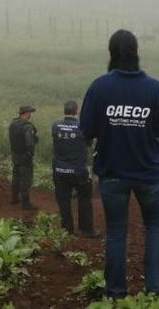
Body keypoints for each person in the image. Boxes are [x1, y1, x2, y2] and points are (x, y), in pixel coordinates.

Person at [80, 30, 159, 299]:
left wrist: (110, 124)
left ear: (111, 54)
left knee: (116, 232)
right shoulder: (154, 88)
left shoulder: (100, 87)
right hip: (147, 173)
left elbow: (86, 130)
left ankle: (115, 293)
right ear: (137, 53)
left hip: (112, 173)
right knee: (155, 227)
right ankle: (157, 290)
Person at [52, 100, 98, 237]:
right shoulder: (82, 127)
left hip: (59, 170)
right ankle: (87, 230)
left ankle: (67, 231)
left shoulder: (55, 126)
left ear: (64, 110)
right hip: (78, 171)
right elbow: (89, 143)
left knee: (63, 201)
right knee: (84, 199)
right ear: (77, 111)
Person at [9, 105, 38, 210]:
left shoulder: (13, 123)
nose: (30, 115)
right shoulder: (27, 126)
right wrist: (30, 153)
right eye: (30, 112)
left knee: (16, 177)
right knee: (25, 179)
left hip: (15, 154)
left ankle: (14, 198)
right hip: (25, 156)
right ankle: (26, 204)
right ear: (26, 113)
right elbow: (29, 142)